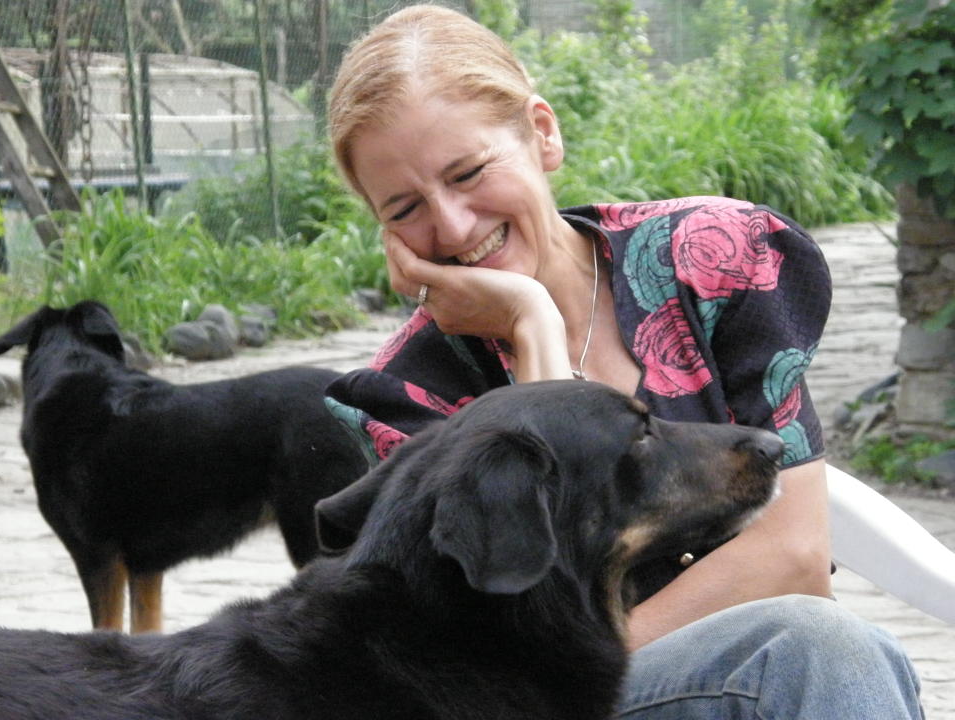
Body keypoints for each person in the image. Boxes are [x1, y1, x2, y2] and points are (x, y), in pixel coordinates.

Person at [324, 5, 924, 717]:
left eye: (468, 172)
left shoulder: (710, 260)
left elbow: (793, 559)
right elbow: (529, 648)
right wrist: (531, 324)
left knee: (824, 649)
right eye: (404, 208)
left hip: (742, 683)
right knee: (817, 650)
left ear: (541, 132)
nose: (452, 226)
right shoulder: (404, 394)